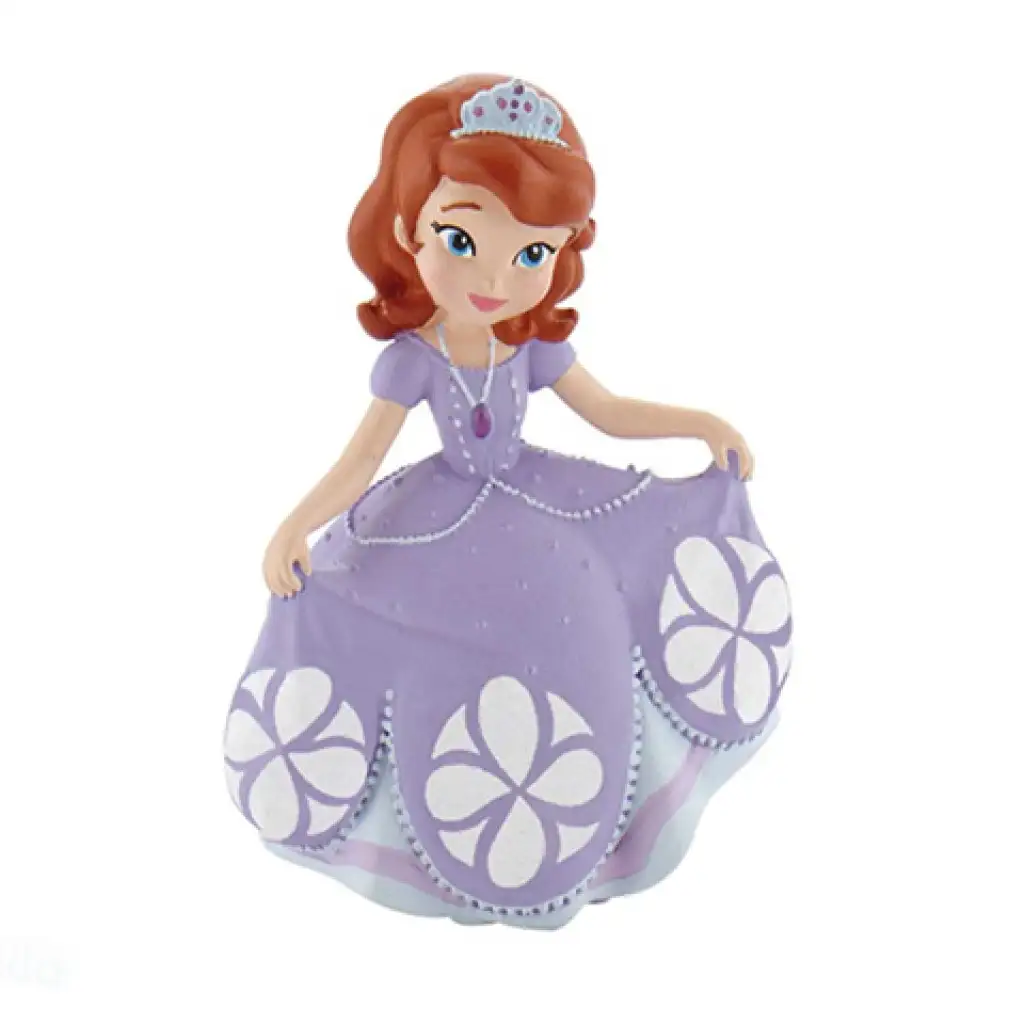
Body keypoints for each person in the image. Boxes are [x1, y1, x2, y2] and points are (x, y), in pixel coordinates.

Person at [222, 74, 793, 929]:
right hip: (436, 522)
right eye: (462, 239)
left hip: (540, 500)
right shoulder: (412, 359)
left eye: (532, 255)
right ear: (409, 230)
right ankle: (486, 821)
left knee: (599, 609)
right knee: (443, 644)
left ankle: (573, 816)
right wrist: (296, 524)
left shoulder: (527, 346)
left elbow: (608, 411)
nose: (495, 276)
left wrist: (697, 425)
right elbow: (361, 460)